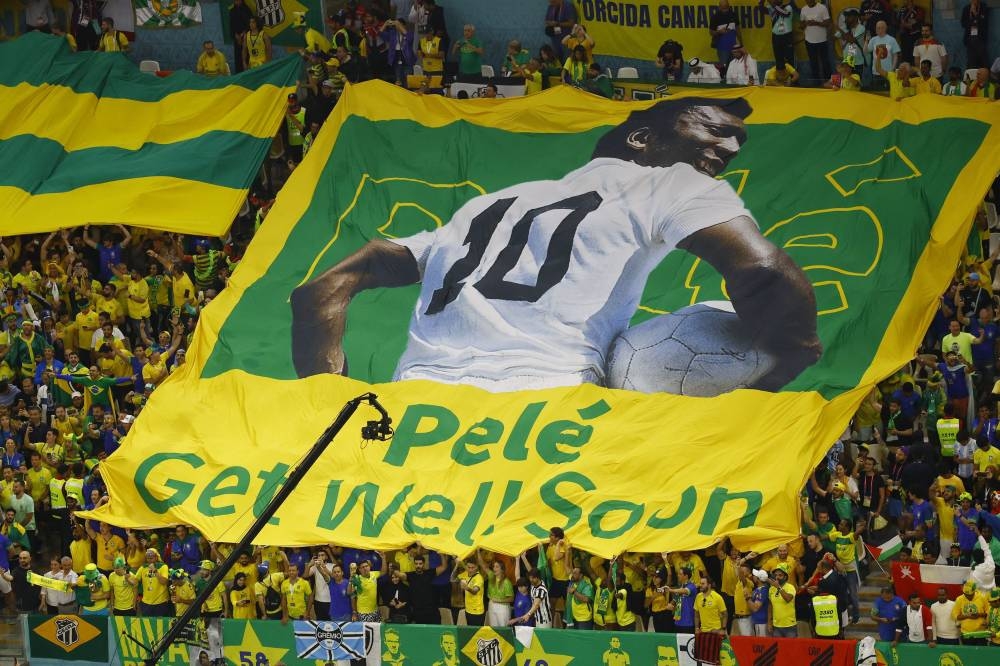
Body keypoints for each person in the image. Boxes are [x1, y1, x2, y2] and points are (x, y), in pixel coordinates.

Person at [290, 98, 822, 395]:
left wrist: (329, 401)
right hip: (548, 410)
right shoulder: (669, 183)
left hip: (420, 408)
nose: (729, 147)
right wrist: (793, 350)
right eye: (714, 129)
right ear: (641, 139)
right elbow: (764, 271)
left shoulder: (489, 205)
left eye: (737, 140)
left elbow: (324, 289)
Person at [799, 0, 832, 83]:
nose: (809, 1)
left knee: (825, 62)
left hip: (822, 40)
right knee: (813, 62)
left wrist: (816, 23)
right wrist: (806, 23)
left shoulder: (822, 8)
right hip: (809, 41)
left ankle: (828, 81)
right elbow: (801, 25)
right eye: (807, 0)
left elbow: (828, 23)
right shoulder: (804, 9)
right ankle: (816, 83)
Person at [767, 565, 796, 637]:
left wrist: (778, 587)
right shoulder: (771, 589)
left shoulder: (790, 587)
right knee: (778, 645)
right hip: (776, 625)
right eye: (775, 575)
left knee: (791, 644)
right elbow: (770, 606)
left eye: (780, 575)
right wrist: (769, 622)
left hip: (789, 625)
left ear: (785, 577)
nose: (777, 577)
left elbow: (788, 599)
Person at [764, 0, 795, 68]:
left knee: (789, 59)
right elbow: (761, 10)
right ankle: (781, 74)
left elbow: (785, 14)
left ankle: (792, 75)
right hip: (776, 37)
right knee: (778, 59)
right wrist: (761, 2)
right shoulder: (771, 8)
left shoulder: (788, 7)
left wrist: (772, 4)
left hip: (787, 36)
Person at [961, 0, 990, 69]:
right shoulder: (966, 8)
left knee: (983, 58)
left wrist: (975, 14)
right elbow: (963, 23)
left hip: (980, 38)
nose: (974, 1)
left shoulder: (984, 7)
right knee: (971, 60)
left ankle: (985, 72)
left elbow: (983, 22)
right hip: (969, 38)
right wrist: (974, 21)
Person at [709, 0, 739, 64]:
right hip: (722, 48)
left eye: (726, 7)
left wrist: (741, 44)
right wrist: (719, 32)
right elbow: (711, 32)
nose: (725, 10)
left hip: (734, 47)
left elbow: (738, 30)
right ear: (719, 7)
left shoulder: (734, 15)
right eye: (723, 8)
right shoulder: (715, 17)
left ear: (729, 6)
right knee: (724, 66)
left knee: (735, 66)